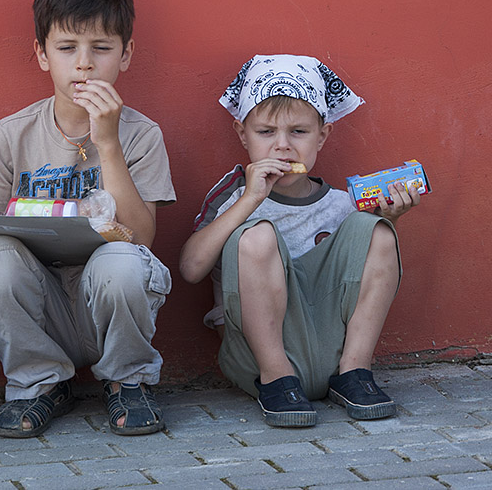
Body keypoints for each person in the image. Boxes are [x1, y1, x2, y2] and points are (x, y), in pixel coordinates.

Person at [0, 0, 176, 438]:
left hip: (106, 303)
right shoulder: (13, 133)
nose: (84, 63)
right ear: (41, 54)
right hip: (39, 305)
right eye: (67, 47)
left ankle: (127, 380)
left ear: (126, 54)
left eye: (101, 48)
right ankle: (38, 383)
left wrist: (109, 143)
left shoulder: (141, 135)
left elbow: (142, 237)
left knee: (121, 259)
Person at [179, 54, 419, 427]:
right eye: (265, 132)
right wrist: (249, 201)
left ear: (323, 136)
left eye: (299, 132)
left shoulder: (342, 204)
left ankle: (355, 372)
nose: (283, 146)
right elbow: (191, 269)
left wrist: (387, 218)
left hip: (332, 350)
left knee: (377, 231)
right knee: (256, 237)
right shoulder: (232, 197)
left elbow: (363, 275)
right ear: (242, 134)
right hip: (258, 363)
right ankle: (277, 379)